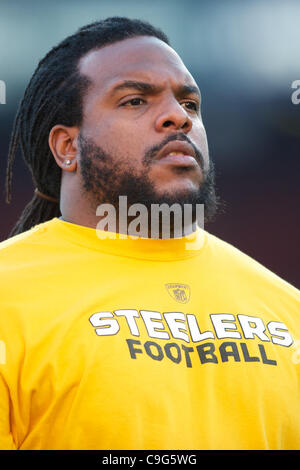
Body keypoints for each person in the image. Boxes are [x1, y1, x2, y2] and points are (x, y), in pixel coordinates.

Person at [0, 17, 299, 451]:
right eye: (136, 100)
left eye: (190, 105)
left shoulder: (287, 309)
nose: (177, 117)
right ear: (68, 147)